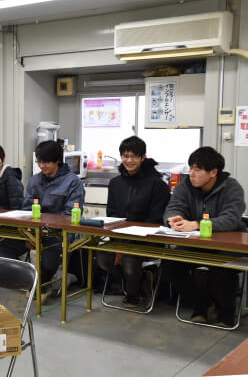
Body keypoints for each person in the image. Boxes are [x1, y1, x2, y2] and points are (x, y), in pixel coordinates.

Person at [164, 146, 246, 327]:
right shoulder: (184, 186)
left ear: (213, 172)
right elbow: (173, 207)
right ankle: (201, 305)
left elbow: (231, 219)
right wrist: (174, 219)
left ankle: (226, 313)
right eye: (190, 168)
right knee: (170, 263)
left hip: (226, 245)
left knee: (221, 268)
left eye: (197, 169)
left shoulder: (232, 188)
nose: (191, 173)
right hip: (195, 243)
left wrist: (196, 225)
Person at [0, 140, 84, 287]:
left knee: (48, 263)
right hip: (33, 232)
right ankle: (27, 278)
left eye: (46, 162)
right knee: (1, 249)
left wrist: (42, 232)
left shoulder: (73, 182)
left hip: (56, 235)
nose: (42, 166)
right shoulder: (35, 180)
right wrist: (29, 231)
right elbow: (26, 209)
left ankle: (46, 281)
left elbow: (69, 216)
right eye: (39, 162)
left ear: (57, 161)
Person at [95, 136, 170, 308]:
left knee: (129, 258)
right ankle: (139, 280)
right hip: (119, 237)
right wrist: (119, 242)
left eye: (133, 156)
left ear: (143, 158)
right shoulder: (115, 183)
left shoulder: (156, 184)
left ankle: (133, 293)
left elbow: (155, 219)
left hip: (148, 239)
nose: (129, 160)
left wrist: (127, 243)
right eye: (125, 156)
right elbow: (112, 214)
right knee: (102, 256)